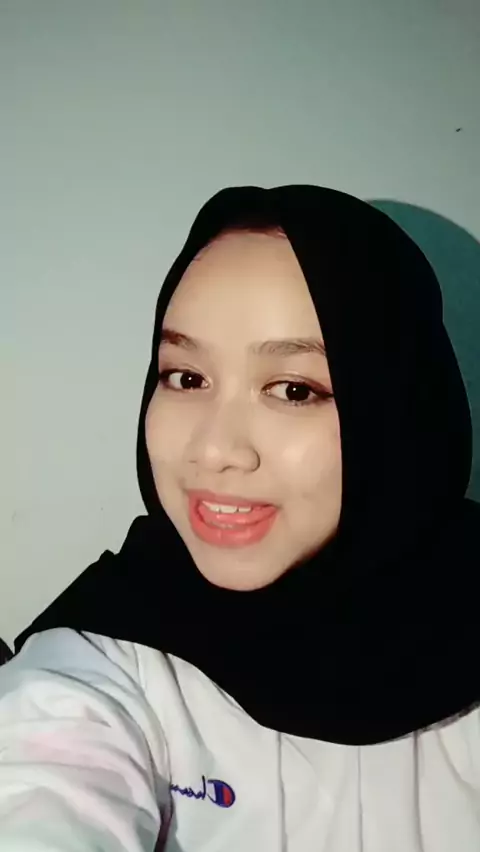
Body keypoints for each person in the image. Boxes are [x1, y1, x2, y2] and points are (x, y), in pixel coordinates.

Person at [0, 185, 479, 851]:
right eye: (186, 377)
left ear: (399, 408)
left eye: (293, 389)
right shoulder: (102, 664)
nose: (214, 450)